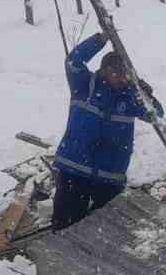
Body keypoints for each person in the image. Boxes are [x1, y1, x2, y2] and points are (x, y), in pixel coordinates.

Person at [51, 33, 160, 230]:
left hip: (109, 177)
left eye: (124, 73)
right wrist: (99, 41)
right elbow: (73, 60)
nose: (120, 77)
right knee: (65, 229)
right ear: (103, 71)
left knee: (107, 234)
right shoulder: (84, 85)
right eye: (114, 72)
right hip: (75, 171)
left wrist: (147, 96)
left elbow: (156, 116)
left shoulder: (130, 97)